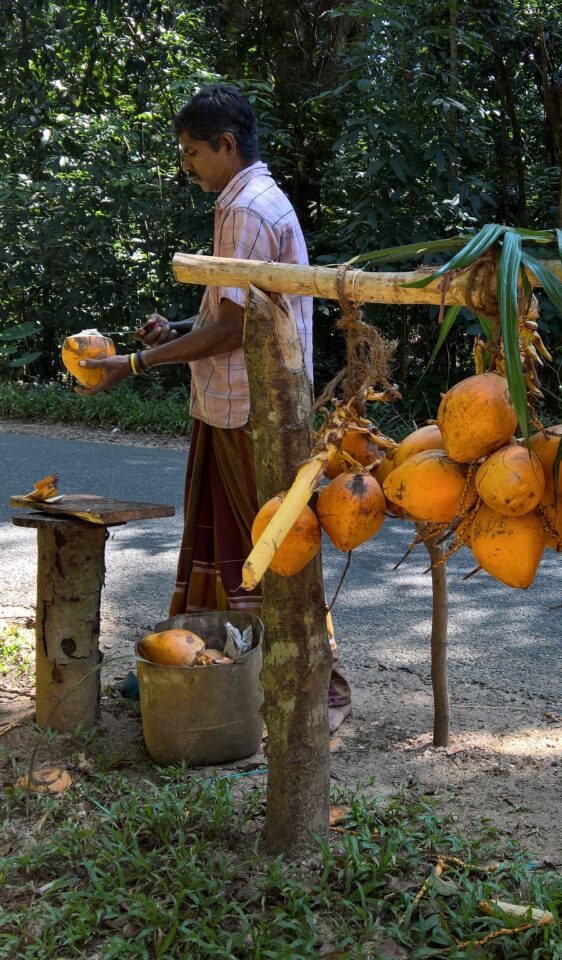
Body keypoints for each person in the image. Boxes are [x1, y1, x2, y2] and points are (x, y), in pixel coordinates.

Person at [79, 83, 352, 730]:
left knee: (270, 545)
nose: (186, 165)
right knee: (225, 539)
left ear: (226, 145)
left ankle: (324, 686)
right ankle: (202, 653)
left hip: (253, 408)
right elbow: (234, 310)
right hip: (228, 401)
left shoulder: (249, 210)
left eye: (193, 151)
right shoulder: (242, 201)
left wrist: (134, 364)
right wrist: (176, 330)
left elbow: (235, 332)